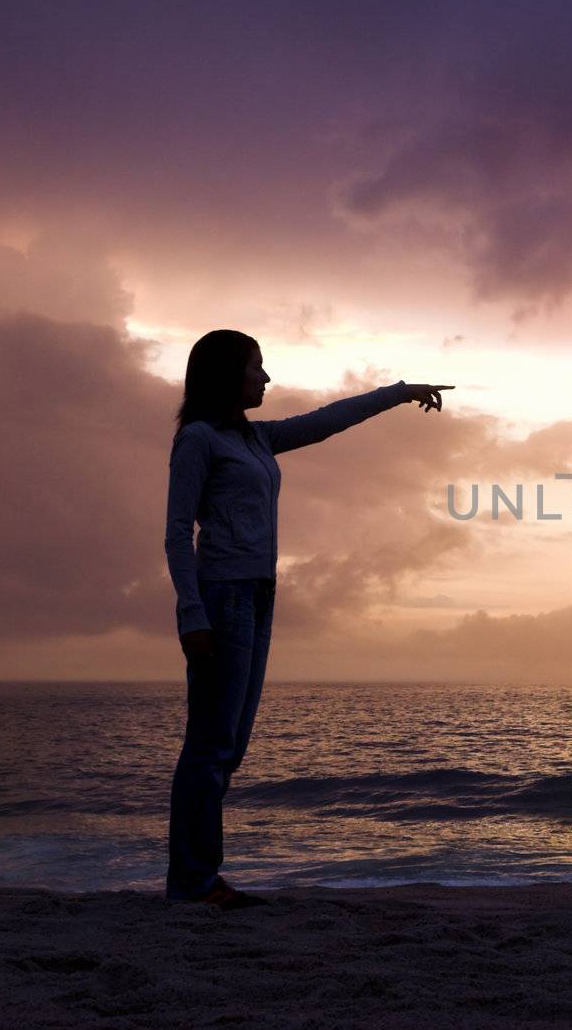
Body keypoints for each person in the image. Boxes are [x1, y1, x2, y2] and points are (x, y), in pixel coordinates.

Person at [163, 329, 452, 909]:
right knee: (211, 745)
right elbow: (176, 533)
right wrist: (191, 614)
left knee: (231, 744)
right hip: (221, 597)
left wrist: (400, 392)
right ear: (226, 375)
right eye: (256, 368)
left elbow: (328, 420)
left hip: (259, 595)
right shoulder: (198, 440)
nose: (265, 379)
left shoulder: (257, 440)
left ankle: (197, 878)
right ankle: (192, 883)